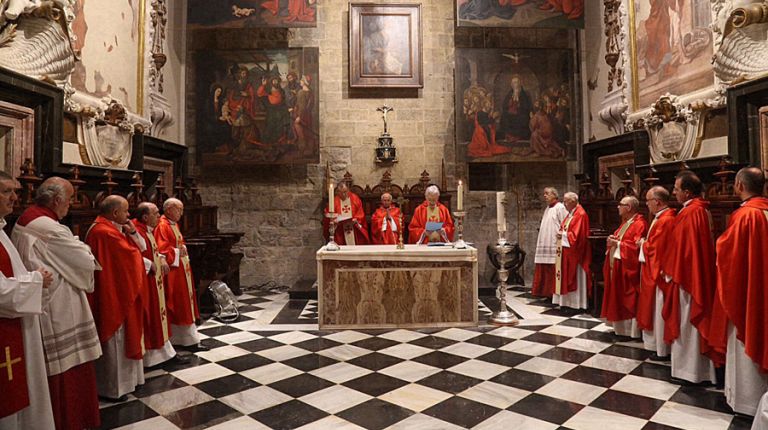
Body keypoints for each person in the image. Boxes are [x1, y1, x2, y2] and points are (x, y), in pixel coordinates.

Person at [11, 177, 101, 429]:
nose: (71, 204)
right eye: (70, 199)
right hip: (58, 304)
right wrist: (81, 246)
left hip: (44, 297)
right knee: (66, 369)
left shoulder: (27, 217)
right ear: (57, 200)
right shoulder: (50, 227)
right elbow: (84, 260)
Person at [710, 167, 768, 415]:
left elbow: (728, 253)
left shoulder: (745, 216)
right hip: (762, 284)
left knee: (747, 335)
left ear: (740, 186)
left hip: (747, 291)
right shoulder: (764, 211)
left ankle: (746, 400)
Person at [0, 171, 54, 430]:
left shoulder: (2, 230)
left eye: (16, 192)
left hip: (17, 326)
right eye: (7, 191)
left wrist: (33, 279)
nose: (14, 198)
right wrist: (36, 280)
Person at [85, 195, 148, 400]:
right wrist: (146, 264)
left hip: (118, 288)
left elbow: (139, 249)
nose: (129, 215)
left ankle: (128, 383)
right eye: (126, 211)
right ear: (114, 213)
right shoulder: (104, 232)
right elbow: (132, 257)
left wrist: (130, 232)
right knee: (117, 340)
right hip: (113, 292)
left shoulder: (108, 228)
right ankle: (115, 388)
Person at [661, 170, 717, 383]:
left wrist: (672, 269)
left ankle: (691, 372)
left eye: (676, 189)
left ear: (686, 192)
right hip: (691, 274)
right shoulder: (698, 210)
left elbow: (685, 250)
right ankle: (690, 370)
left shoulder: (691, 212)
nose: (673, 193)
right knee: (685, 322)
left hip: (687, 278)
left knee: (687, 321)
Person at [132, 202, 185, 367]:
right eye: (155, 213)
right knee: (152, 317)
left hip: (155, 280)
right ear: (145, 217)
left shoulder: (146, 230)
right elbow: (134, 255)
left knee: (158, 316)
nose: (158, 216)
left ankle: (163, 354)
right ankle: (155, 357)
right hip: (147, 281)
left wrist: (161, 258)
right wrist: (151, 263)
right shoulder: (137, 231)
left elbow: (155, 251)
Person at [155, 198, 207, 351]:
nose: (182, 213)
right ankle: (184, 341)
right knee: (179, 304)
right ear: (169, 209)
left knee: (184, 303)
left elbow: (177, 242)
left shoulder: (173, 224)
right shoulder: (162, 225)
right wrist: (177, 251)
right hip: (173, 272)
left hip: (181, 270)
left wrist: (181, 246)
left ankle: (187, 339)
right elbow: (161, 248)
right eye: (179, 210)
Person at [636, 186, 675, 360]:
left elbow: (657, 249)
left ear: (657, 202)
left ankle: (662, 349)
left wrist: (642, 244)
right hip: (654, 269)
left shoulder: (665, 220)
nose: (647, 204)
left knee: (659, 310)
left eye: (648, 200)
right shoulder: (660, 218)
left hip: (659, 273)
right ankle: (656, 346)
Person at [601, 196, 648, 338]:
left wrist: (619, 244)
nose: (617, 207)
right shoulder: (628, 223)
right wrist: (613, 239)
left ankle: (629, 331)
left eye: (620, 205)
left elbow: (635, 247)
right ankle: (619, 328)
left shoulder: (640, 224)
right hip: (618, 266)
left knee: (628, 298)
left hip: (628, 268)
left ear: (628, 207)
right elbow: (621, 238)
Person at [553, 192, 590, 311]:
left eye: (566, 201)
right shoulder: (571, 214)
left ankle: (576, 304)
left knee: (575, 277)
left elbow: (576, 236)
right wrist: (561, 234)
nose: (564, 204)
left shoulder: (580, 214)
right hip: (566, 251)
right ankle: (567, 303)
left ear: (574, 201)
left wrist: (562, 235)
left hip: (576, 254)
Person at [532, 187, 568, 297]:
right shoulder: (547, 208)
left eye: (547, 193)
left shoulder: (560, 207)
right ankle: (545, 293)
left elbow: (565, 224)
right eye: (544, 193)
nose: (545, 196)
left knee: (552, 269)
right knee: (545, 269)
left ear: (554, 195)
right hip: (545, 242)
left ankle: (553, 294)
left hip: (554, 243)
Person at [498, 75, 533, 143]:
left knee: (522, 118)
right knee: (504, 117)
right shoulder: (509, 94)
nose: (515, 84)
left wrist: (518, 102)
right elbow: (504, 106)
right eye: (514, 82)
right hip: (510, 114)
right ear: (511, 85)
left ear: (520, 83)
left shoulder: (525, 94)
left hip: (521, 113)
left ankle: (519, 136)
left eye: (517, 82)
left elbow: (527, 106)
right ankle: (508, 136)